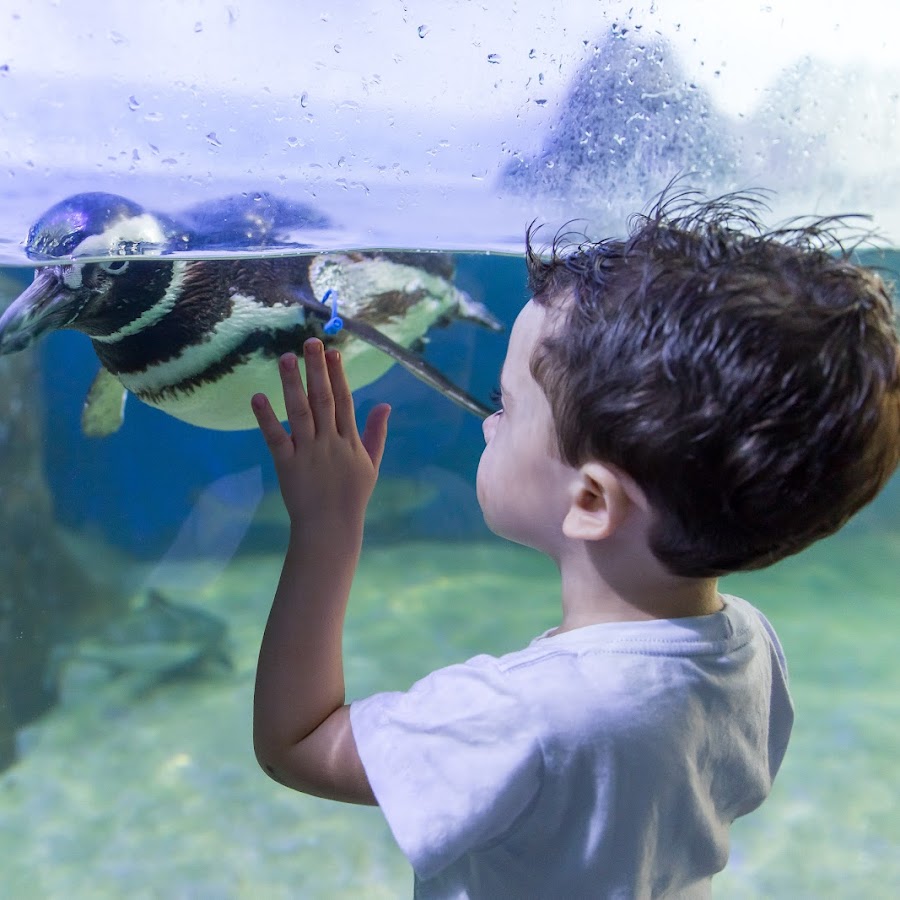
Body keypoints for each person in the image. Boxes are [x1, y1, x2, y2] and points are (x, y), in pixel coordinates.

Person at [249, 190, 900, 899]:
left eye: (507, 407)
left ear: (591, 501)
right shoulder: (749, 648)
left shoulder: (519, 717)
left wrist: (327, 526)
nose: (491, 425)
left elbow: (297, 745)